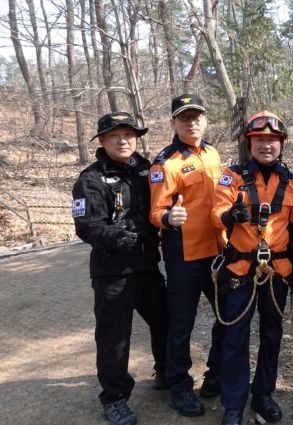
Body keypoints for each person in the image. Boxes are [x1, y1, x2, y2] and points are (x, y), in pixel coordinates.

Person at [72, 112, 169, 425]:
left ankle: (167, 372)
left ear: (136, 138)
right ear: (102, 141)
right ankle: (114, 398)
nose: (123, 140)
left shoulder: (147, 169)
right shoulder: (90, 179)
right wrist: (117, 237)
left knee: (166, 322)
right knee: (114, 339)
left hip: (148, 267)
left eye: (128, 134)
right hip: (112, 273)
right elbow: (86, 226)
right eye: (114, 135)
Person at [211, 111, 293, 425]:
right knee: (235, 336)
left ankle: (263, 394)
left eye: (272, 140)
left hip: (277, 270)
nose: (266, 145)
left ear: (281, 143)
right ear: (249, 143)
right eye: (260, 140)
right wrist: (230, 216)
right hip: (240, 270)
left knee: (272, 333)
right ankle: (233, 405)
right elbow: (217, 210)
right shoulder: (232, 176)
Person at [149, 93, 224, 417]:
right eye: (184, 118)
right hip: (185, 255)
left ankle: (216, 374)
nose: (191, 122)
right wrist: (169, 217)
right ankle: (179, 386)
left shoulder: (213, 153)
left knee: (227, 316)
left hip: (219, 252)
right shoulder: (165, 163)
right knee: (182, 324)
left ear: (204, 120)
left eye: (196, 117)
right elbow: (155, 211)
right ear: (173, 123)